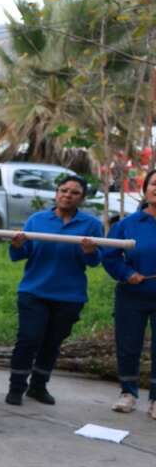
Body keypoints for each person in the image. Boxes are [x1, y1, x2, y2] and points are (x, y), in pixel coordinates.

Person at [5, 175, 102, 406]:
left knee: (52, 342)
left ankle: (38, 387)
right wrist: (16, 245)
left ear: (82, 198)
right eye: (63, 190)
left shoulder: (91, 225)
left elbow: (95, 262)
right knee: (28, 339)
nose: (67, 195)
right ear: (56, 193)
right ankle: (16, 387)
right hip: (34, 292)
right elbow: (19, 255)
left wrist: (89, 251)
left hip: (69, 295)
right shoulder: (38, 220)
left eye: (74, 192)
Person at [101, 167, 156, 417]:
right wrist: (126, 274)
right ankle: (128, 393)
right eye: (154, 184)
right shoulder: (128, 224)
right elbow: (110, 256)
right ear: (145, 189)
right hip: (131, 295)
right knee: (128, 345)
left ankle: (155, 400)